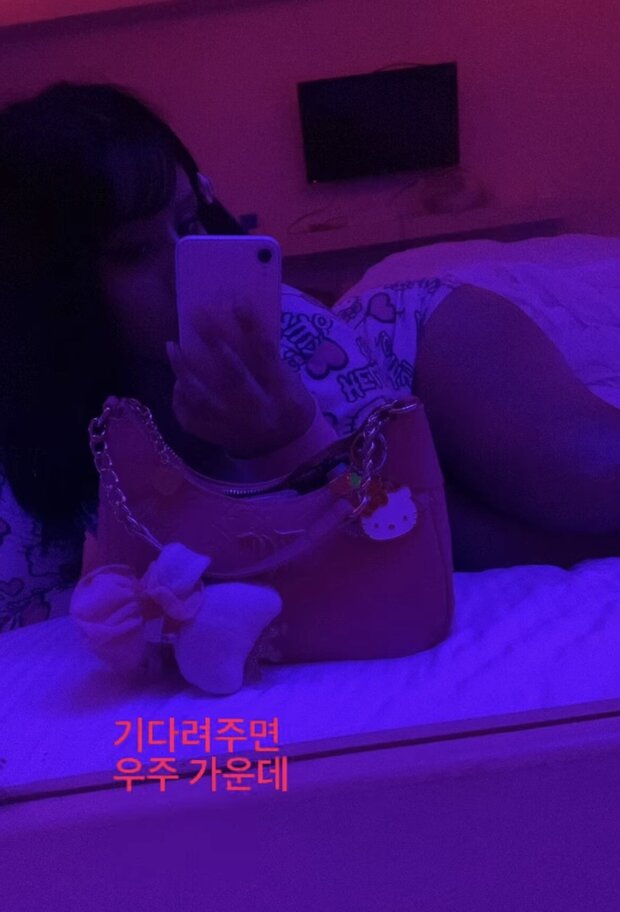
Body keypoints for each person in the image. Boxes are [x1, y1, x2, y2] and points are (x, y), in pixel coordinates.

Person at [1, 82, 619, 632]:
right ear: (49, 288)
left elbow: (389, 514)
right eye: (134, 252)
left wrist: (290, 441)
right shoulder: (32, 440)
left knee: (586, 477)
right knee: (483, 529)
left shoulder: (283, 327)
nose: (183, 263)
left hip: (413, 350)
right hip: (381, 468)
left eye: (190, 222)